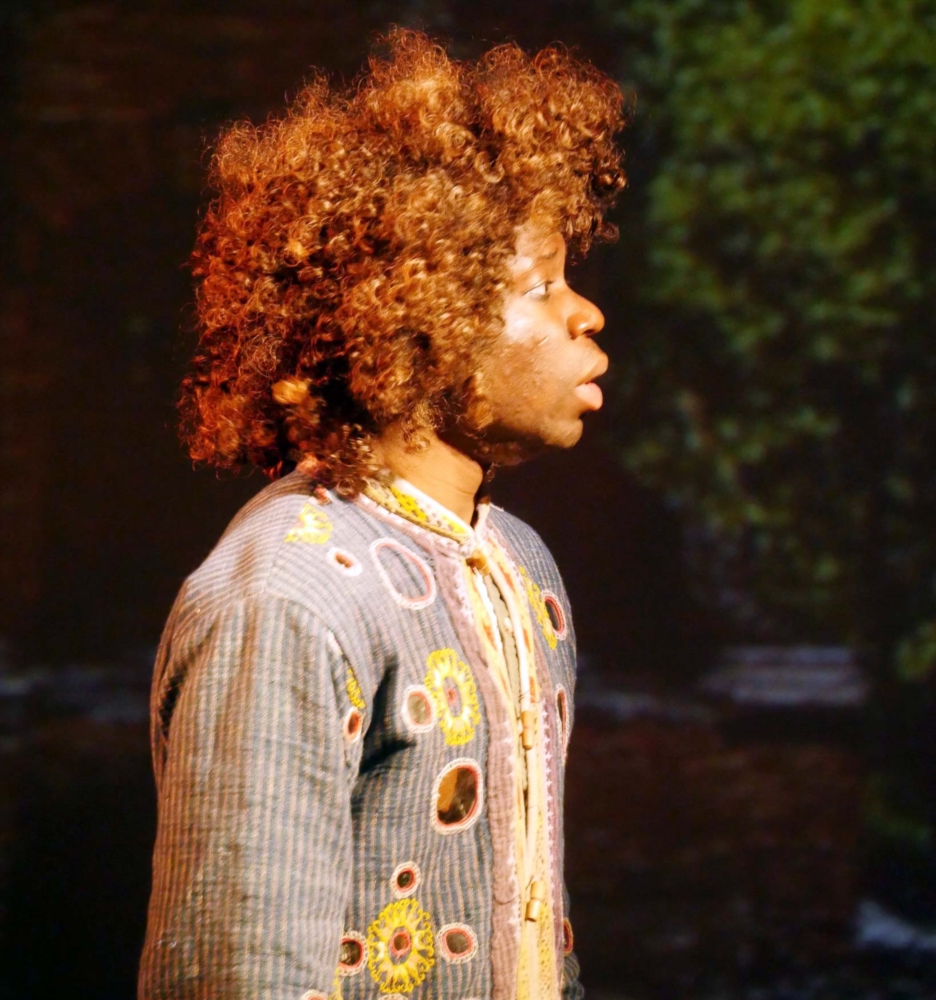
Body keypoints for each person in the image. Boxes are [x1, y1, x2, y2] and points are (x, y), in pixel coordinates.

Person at [138, 28, 624, 1000]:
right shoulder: (288, 596)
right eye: (539, 285)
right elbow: (242, 967)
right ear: (418, 314)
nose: (585, 314)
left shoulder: (519, 564)